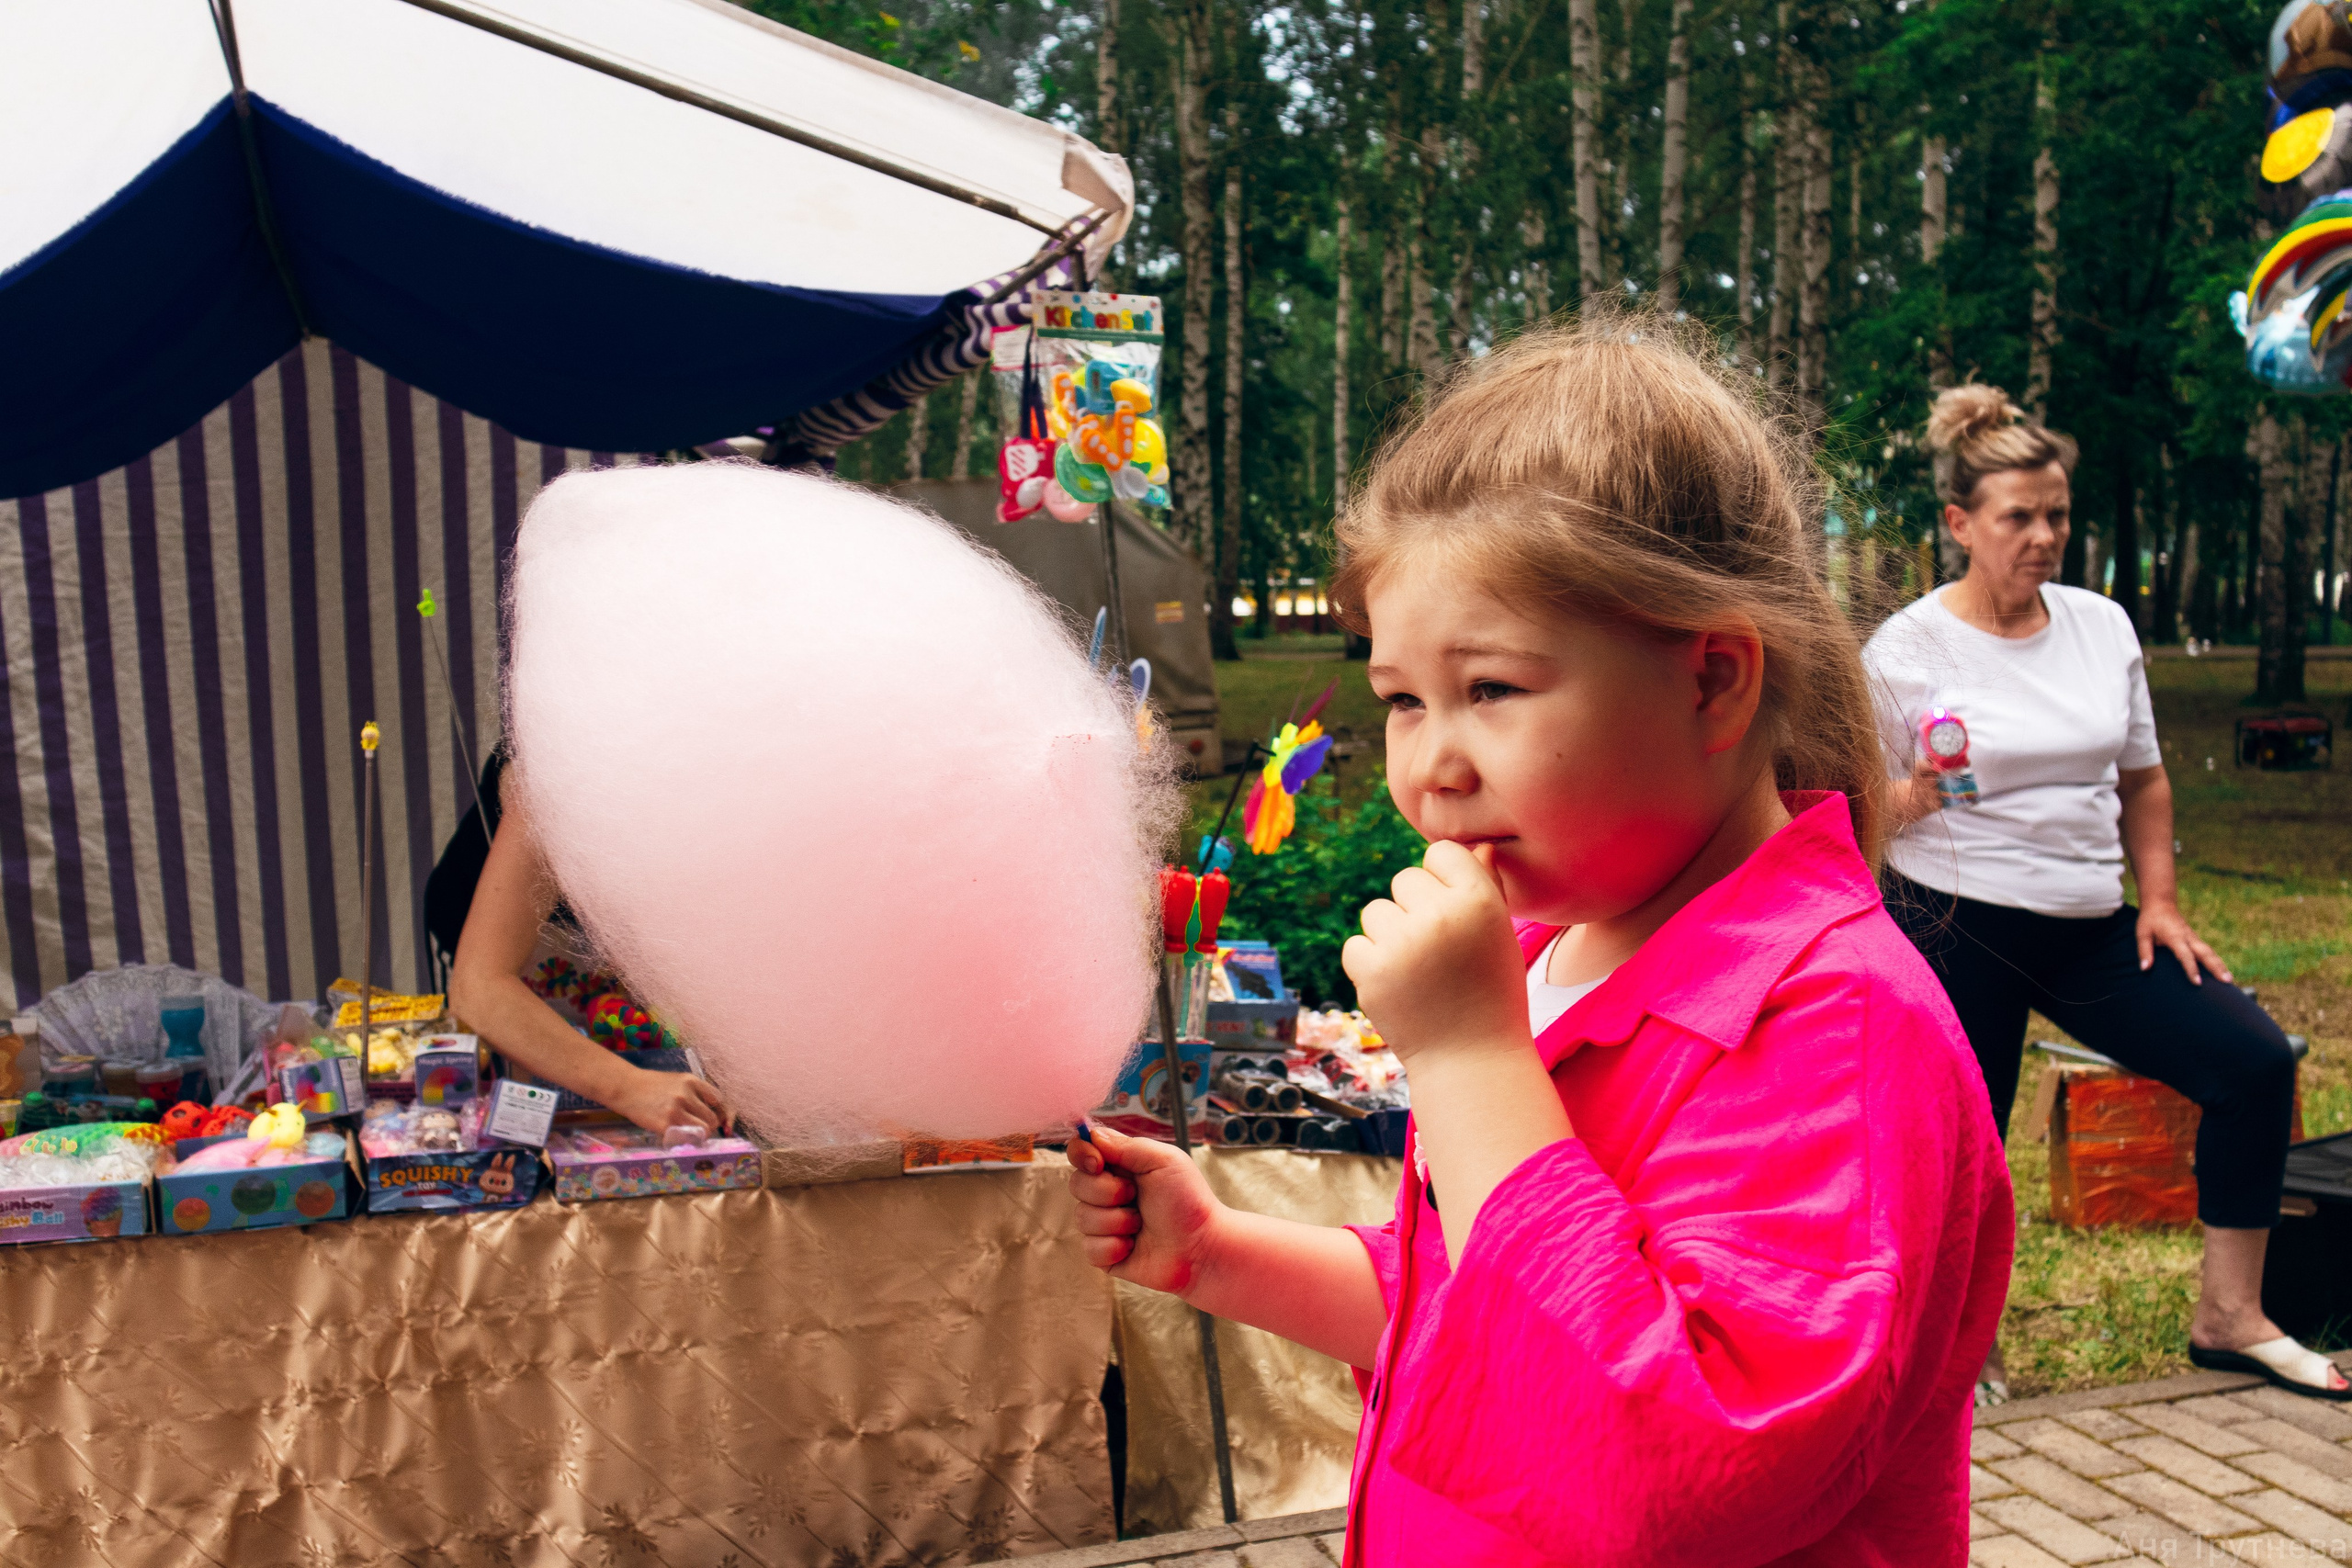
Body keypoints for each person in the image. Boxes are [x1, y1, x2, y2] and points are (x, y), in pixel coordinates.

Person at [1068, 314, 2014, 1565]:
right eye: (1402, 699)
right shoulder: (1548, 952)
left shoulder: (1833, 1019)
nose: (1430, 766)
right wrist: (1222, 1251)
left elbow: (1677, 1475)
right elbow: (1485, 1302)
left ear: (1713, 681)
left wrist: (1467, 1060)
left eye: (1494, 689)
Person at [1867, 384, 2345, 1404]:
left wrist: (2160, 901)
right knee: (1960, 1141)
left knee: (2251, 1064)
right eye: (2017, 518)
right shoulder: (1905, 650)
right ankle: (1961, 1346)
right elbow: (1855, 809)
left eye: (2058, 516)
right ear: (1959, 525)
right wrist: (1920, 790)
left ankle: (2230, 1316)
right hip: (1956, 922)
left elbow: (2143, 780)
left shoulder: (2100, 626)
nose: (2043, 537)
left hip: (2088, 926)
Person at [434, 746, 733, 1137]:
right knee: (520, 1110)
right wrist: (633, 1089)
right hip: (506, 944)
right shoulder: (556, 780)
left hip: (605, 948)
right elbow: (480, 990)